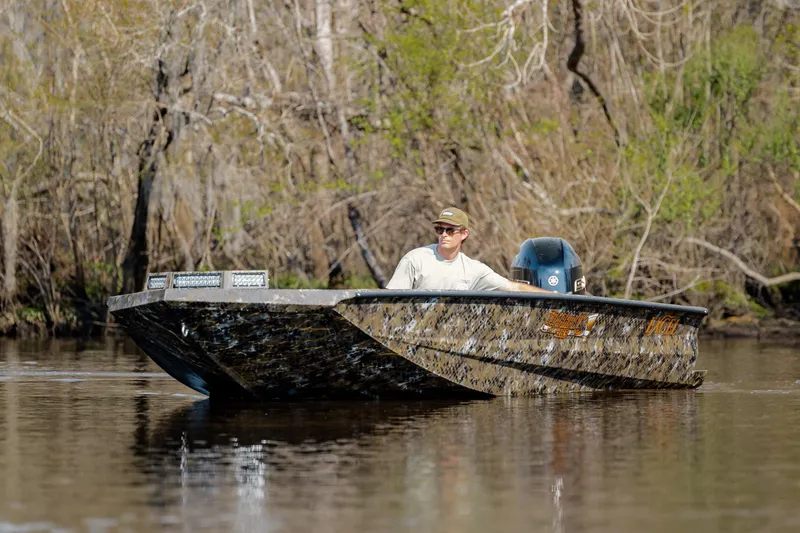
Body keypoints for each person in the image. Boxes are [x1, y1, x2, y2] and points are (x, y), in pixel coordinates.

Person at [385, 207, 553, 292]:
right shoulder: (415, 259)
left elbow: (513, 288)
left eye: (450, 230)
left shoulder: (474, 269)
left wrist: (556, 297)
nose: (444, 234)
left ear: (464, 234)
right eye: (440, 230)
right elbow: (389, 301)